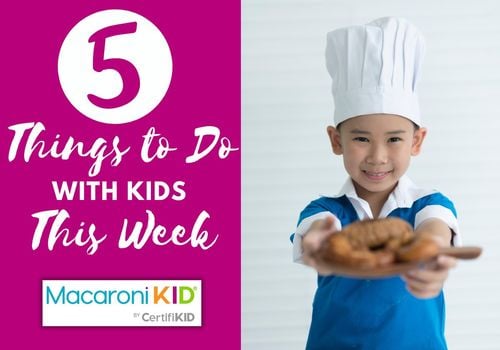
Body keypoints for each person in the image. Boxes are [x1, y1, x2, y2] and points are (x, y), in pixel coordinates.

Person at [291, 17, 460, 349]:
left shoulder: (430, 205)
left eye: (395, 139)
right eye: (361, 139)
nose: (378, 156)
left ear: (417, 140)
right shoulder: (325, 211)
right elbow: (317, 236)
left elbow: (436, 232)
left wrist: (427, 252)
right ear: (336, 140)